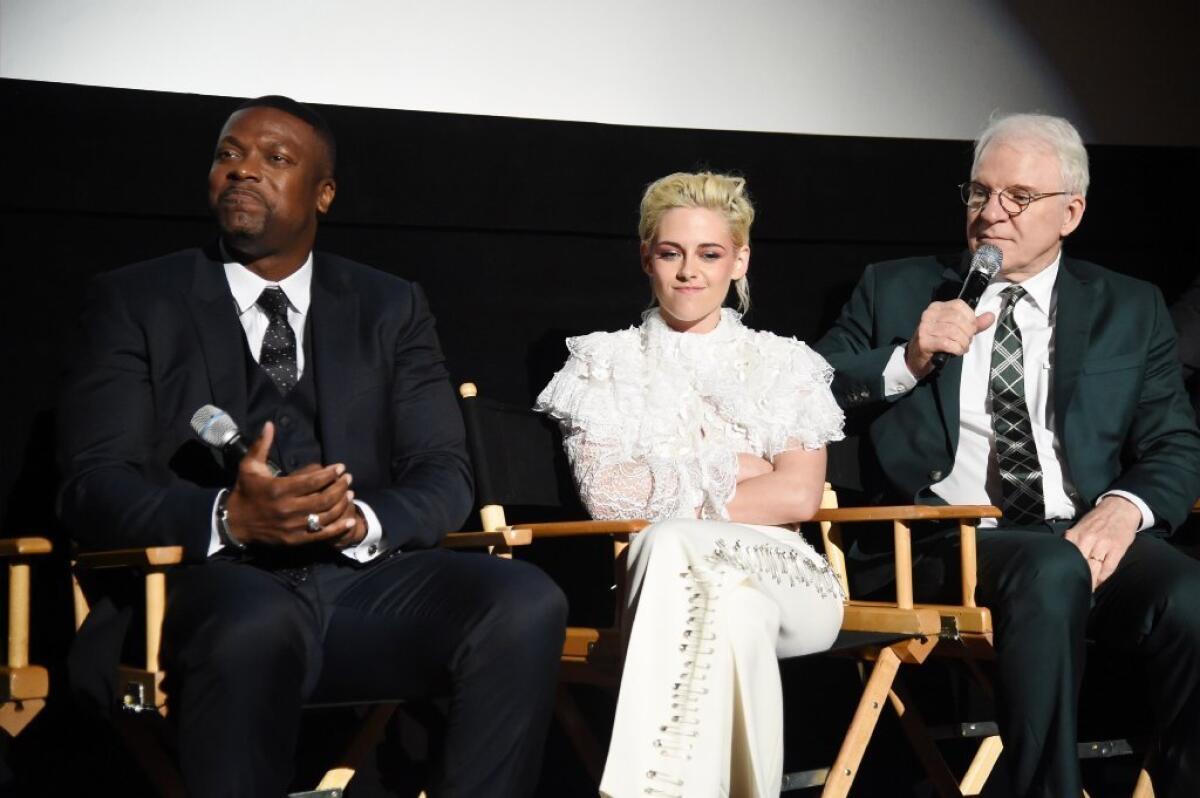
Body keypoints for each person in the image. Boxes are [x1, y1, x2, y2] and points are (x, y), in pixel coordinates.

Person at [57, 95, 567, 798]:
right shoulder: (137, 300)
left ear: (323, 193)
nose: (243, 172)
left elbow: (443, 472)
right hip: (206, 589)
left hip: (357, 586)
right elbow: (92, 484)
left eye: (275, 159)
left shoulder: (390, 306)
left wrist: (362, 522)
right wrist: (230, 519)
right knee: (257, 622)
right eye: (228, 155)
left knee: (522, 600)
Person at [814, 112, 1200, 797]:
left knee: (1190, 595)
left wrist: (1122, 508)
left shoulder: (1129, 307)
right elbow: (805, 394)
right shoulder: (895, 288)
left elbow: (1173, 444)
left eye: (1018, 197)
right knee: (1049, 569)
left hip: (1081, 533)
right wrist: (908, 357)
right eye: (978, 193)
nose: (990, 214)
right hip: (940, 542)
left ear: (1070, 213)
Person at [536, 172, 846, 798]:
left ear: (740, 260)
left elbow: (797, 498)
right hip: (671, 589)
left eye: (709, 254)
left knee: (673, 538)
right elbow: (608, 498)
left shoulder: (785, 363)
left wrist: (674, 478)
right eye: (671, 253)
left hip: (790, 579)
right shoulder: (603, 362)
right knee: (732, 611)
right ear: (646, 256)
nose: (688, 272)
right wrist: (737, 465)